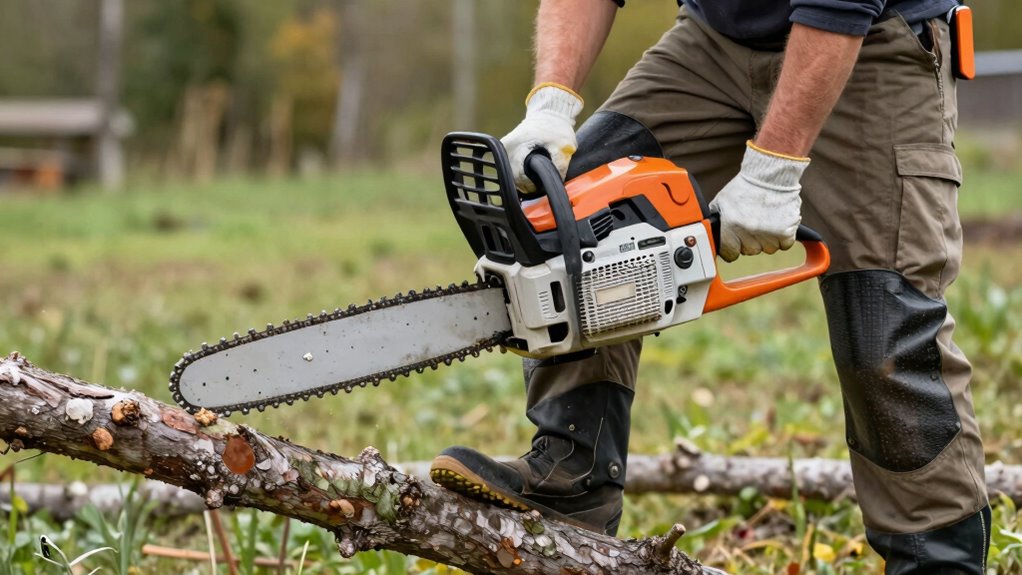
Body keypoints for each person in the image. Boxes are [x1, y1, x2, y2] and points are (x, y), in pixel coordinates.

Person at [429, 0, 989, 572]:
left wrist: (774, 167)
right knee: (572, 222)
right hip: (714, 38)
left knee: (885, 332)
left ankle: (936, 559)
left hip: (870, 41)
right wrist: (551, 103)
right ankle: (572, 475)